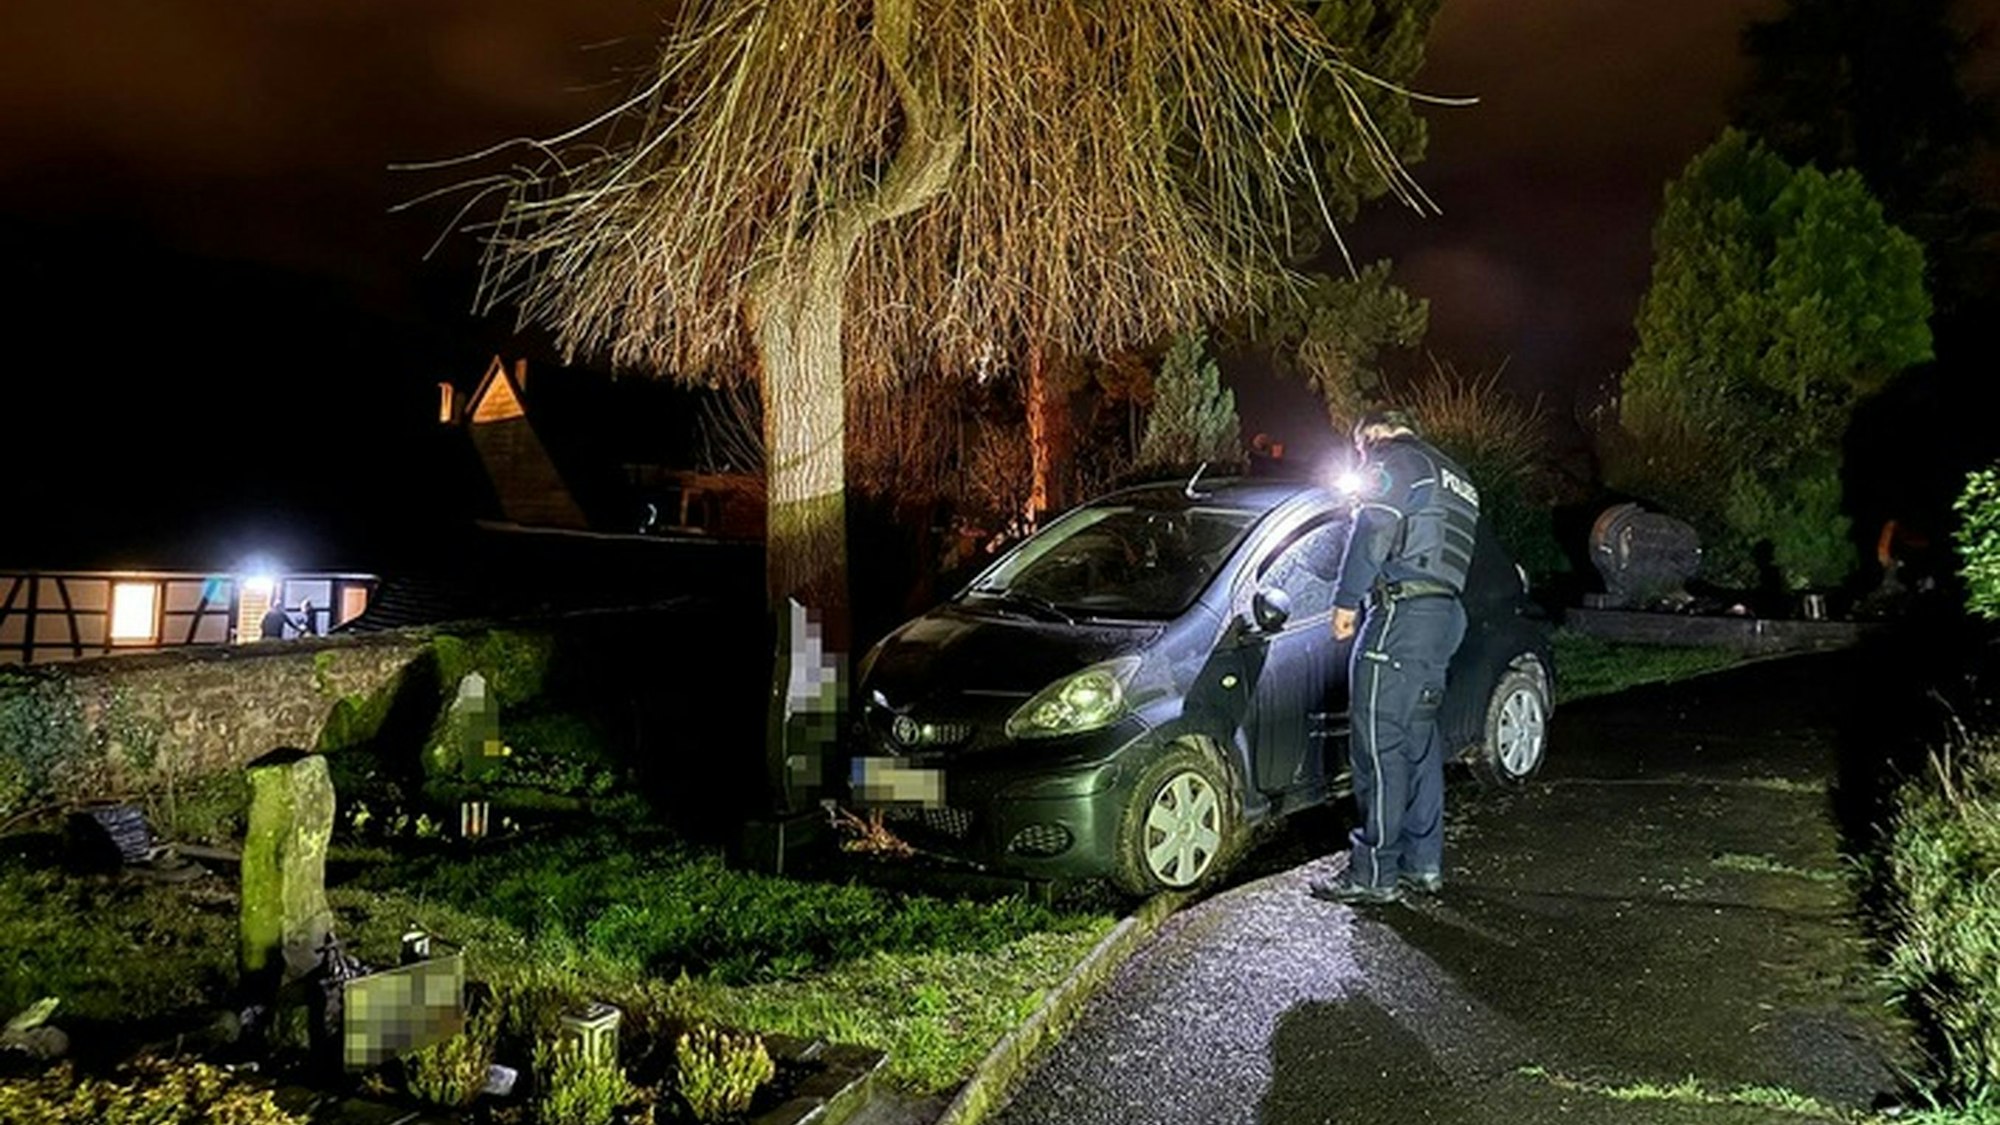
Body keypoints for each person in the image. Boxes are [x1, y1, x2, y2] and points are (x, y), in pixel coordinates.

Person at [1309, 407, 1481, 905]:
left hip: (1401, 618)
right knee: (1419, 743)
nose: (1362, 457)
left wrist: (1346, 601)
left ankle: (1374, 872)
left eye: (1360, 447)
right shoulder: (1458, 476)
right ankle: (1422, 864)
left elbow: (1376, 528)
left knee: (1378, 746)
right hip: (1443, 617)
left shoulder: (1393, 460)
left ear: (1370, 435)